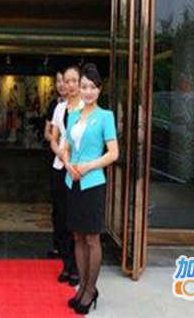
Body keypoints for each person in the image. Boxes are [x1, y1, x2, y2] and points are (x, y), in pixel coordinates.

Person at [62, 63, 119, 314]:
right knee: (77, 236)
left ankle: (90, 289)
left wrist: (87, 166)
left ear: (99, 89)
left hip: (93, 183)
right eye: (84, 87)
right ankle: (82, 286)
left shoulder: (105, 116)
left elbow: (113, 153)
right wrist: (68, 164)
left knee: (92, 238)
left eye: (92, 87)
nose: (87, 91)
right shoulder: (73, 115)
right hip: (72, 181)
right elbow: (65, 147)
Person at [49, 65, 84, 286]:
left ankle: (76, 266)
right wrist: (60, 153)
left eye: (73, 81)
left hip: (77, 169)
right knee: (61, 216)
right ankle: (66, 263)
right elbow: (53, 138)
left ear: (80, 83)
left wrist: (71, 158)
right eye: (66, 81)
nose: (69, 85)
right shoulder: (60, 108)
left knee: (75, 218)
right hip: (59, 166)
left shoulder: (85, 108)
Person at [43, 68, 67, 259]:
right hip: (57, 159)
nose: (62, 85)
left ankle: (71, 251)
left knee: (71, 208)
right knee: (58, 206)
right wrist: (56, 143)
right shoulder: (55, 106)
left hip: (75, 164)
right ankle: (58, 246)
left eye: (66, 80)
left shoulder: (81, 106)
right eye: (58, 81)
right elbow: (47, 131)